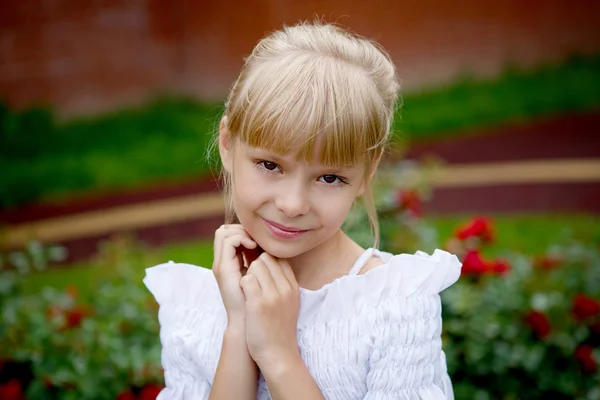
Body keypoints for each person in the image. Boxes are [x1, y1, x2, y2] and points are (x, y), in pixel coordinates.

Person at [144, 20, 462, 400]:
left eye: (329, 178)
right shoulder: (195, 311)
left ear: (367, 174)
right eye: (270, 165)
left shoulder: (393, 308)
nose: (292, 205)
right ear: (227, 144)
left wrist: (279, 357)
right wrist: (239, 327)